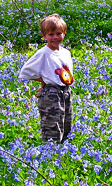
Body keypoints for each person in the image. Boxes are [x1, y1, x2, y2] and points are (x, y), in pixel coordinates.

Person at [19, 14, 74, 143]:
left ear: (64, 33)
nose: (55, 37)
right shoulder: (43, 53)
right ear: (44, 36)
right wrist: (44, 81)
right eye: (51, 34)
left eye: (58, 33)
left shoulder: (66, 53)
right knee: (52, 127)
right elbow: (25, 72)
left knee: (66, 124)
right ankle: (50, 156)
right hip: (51, 94)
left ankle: (63, 154)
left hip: (65, 92)